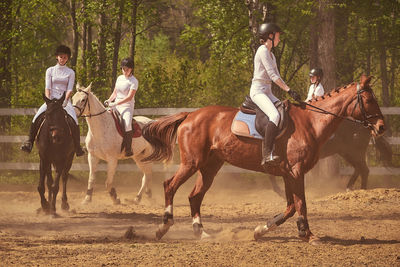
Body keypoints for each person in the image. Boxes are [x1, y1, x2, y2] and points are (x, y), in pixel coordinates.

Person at [250, 22, 301, 167]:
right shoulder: (262, 51)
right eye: (277, 36)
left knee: (284, 111)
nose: (279, 39)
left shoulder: (271, 55)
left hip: (267, 91)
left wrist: (290, 90)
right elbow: (272, 75)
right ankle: (267, 154)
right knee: (275, 115)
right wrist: (288, 90)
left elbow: (277, 75)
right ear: (270, 36)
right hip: (258, 91)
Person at [21, 45, 84, 156]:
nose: (62, 59)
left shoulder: (70, 72)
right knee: (36, 117)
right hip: (50, 100)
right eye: (61, 57)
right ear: (57, 57)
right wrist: (48, 101)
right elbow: (47, 87)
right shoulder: (50, 70)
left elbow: (70, 89)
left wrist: (65, 100)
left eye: (65, 57)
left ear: (67, 58)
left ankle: (78, 147)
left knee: (74, 120)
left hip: (64, 100)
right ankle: (29, 142)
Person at [104, 58, 138, 157]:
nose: (125, 71)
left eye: (127, 69)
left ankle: (128, 148)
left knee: (127, 124)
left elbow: (129, 97)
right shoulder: (119, 78)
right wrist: (109, 100)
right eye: (123, 69)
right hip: (115, 104)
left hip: (126, 106)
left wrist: (116, 103)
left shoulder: (134, 81)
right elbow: (115, 92)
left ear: (131, 69)